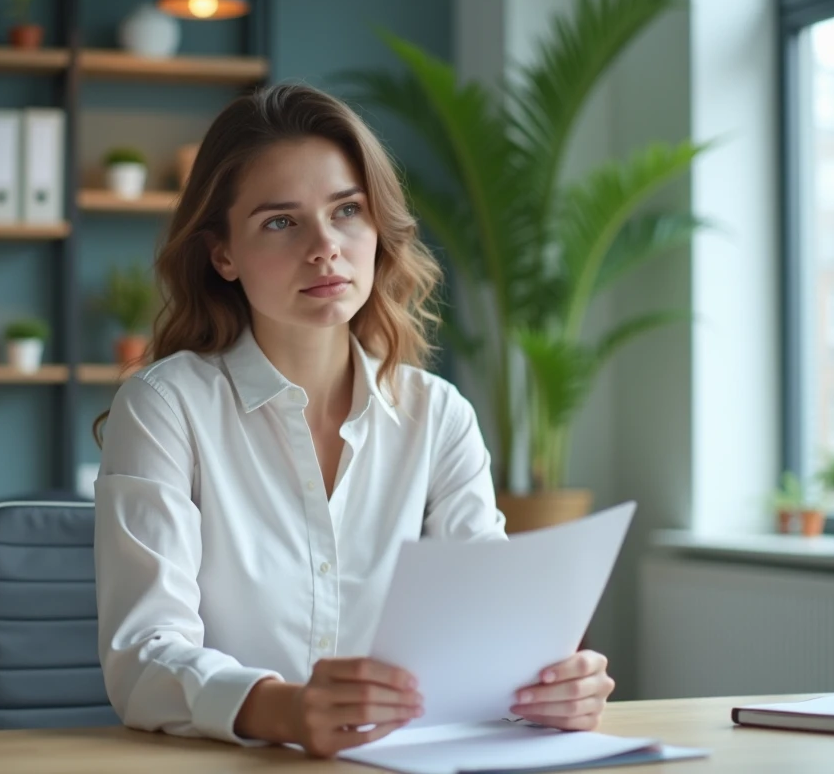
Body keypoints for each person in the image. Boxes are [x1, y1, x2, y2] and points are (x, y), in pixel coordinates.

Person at [91, 83, 615, 759]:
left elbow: (488, 633)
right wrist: (285, 710)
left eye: (347, 212)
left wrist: (550, 683)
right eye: (281, 222)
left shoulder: (437, 415)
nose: (325, 247)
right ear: (223, 254)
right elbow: (143, 658)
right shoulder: (166, 406)